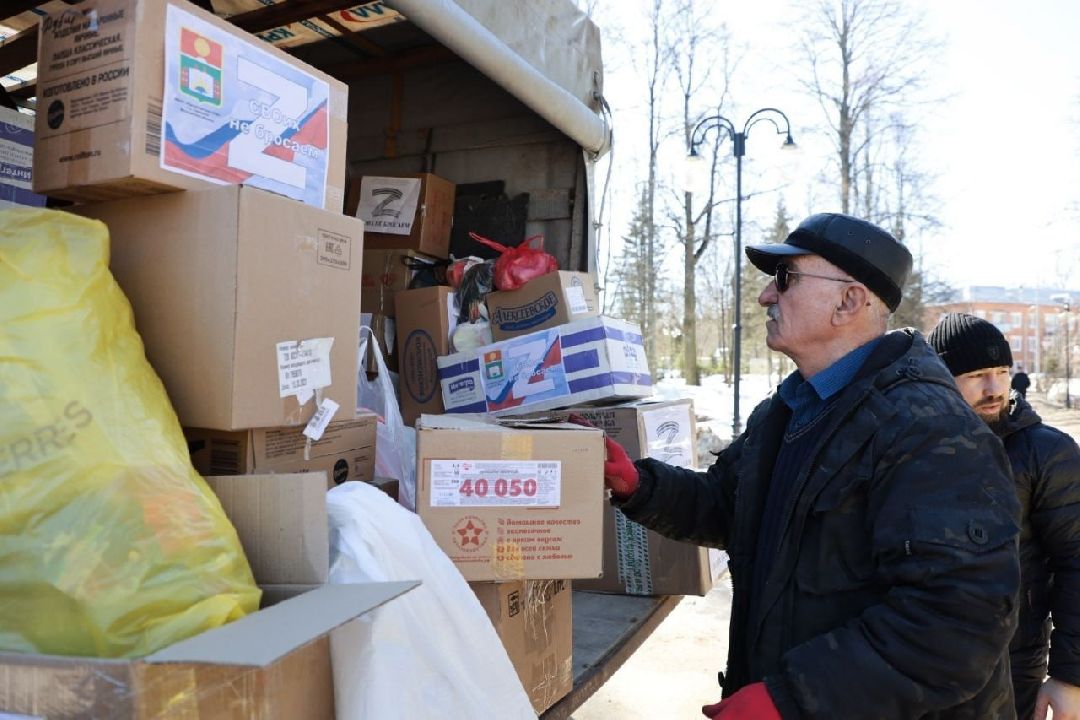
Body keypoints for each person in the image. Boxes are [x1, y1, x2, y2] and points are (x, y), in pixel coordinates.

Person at [592, 213, 1021, 719]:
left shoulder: (928, 428)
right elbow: (730, 507)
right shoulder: (789, 410)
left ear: (849, 301)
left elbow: (957, 622)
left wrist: (793, 698)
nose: (765, 297)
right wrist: (640, 484)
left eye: (785, 278)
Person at [929, 313, 1080, 720]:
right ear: (942, 378)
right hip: (916, 666)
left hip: (1013, 666)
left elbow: (1077, 560)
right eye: (978, 374)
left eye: (1002, 371)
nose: (995, 387)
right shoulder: (912, 448)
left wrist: (1070, 677)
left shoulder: (1047, 452)